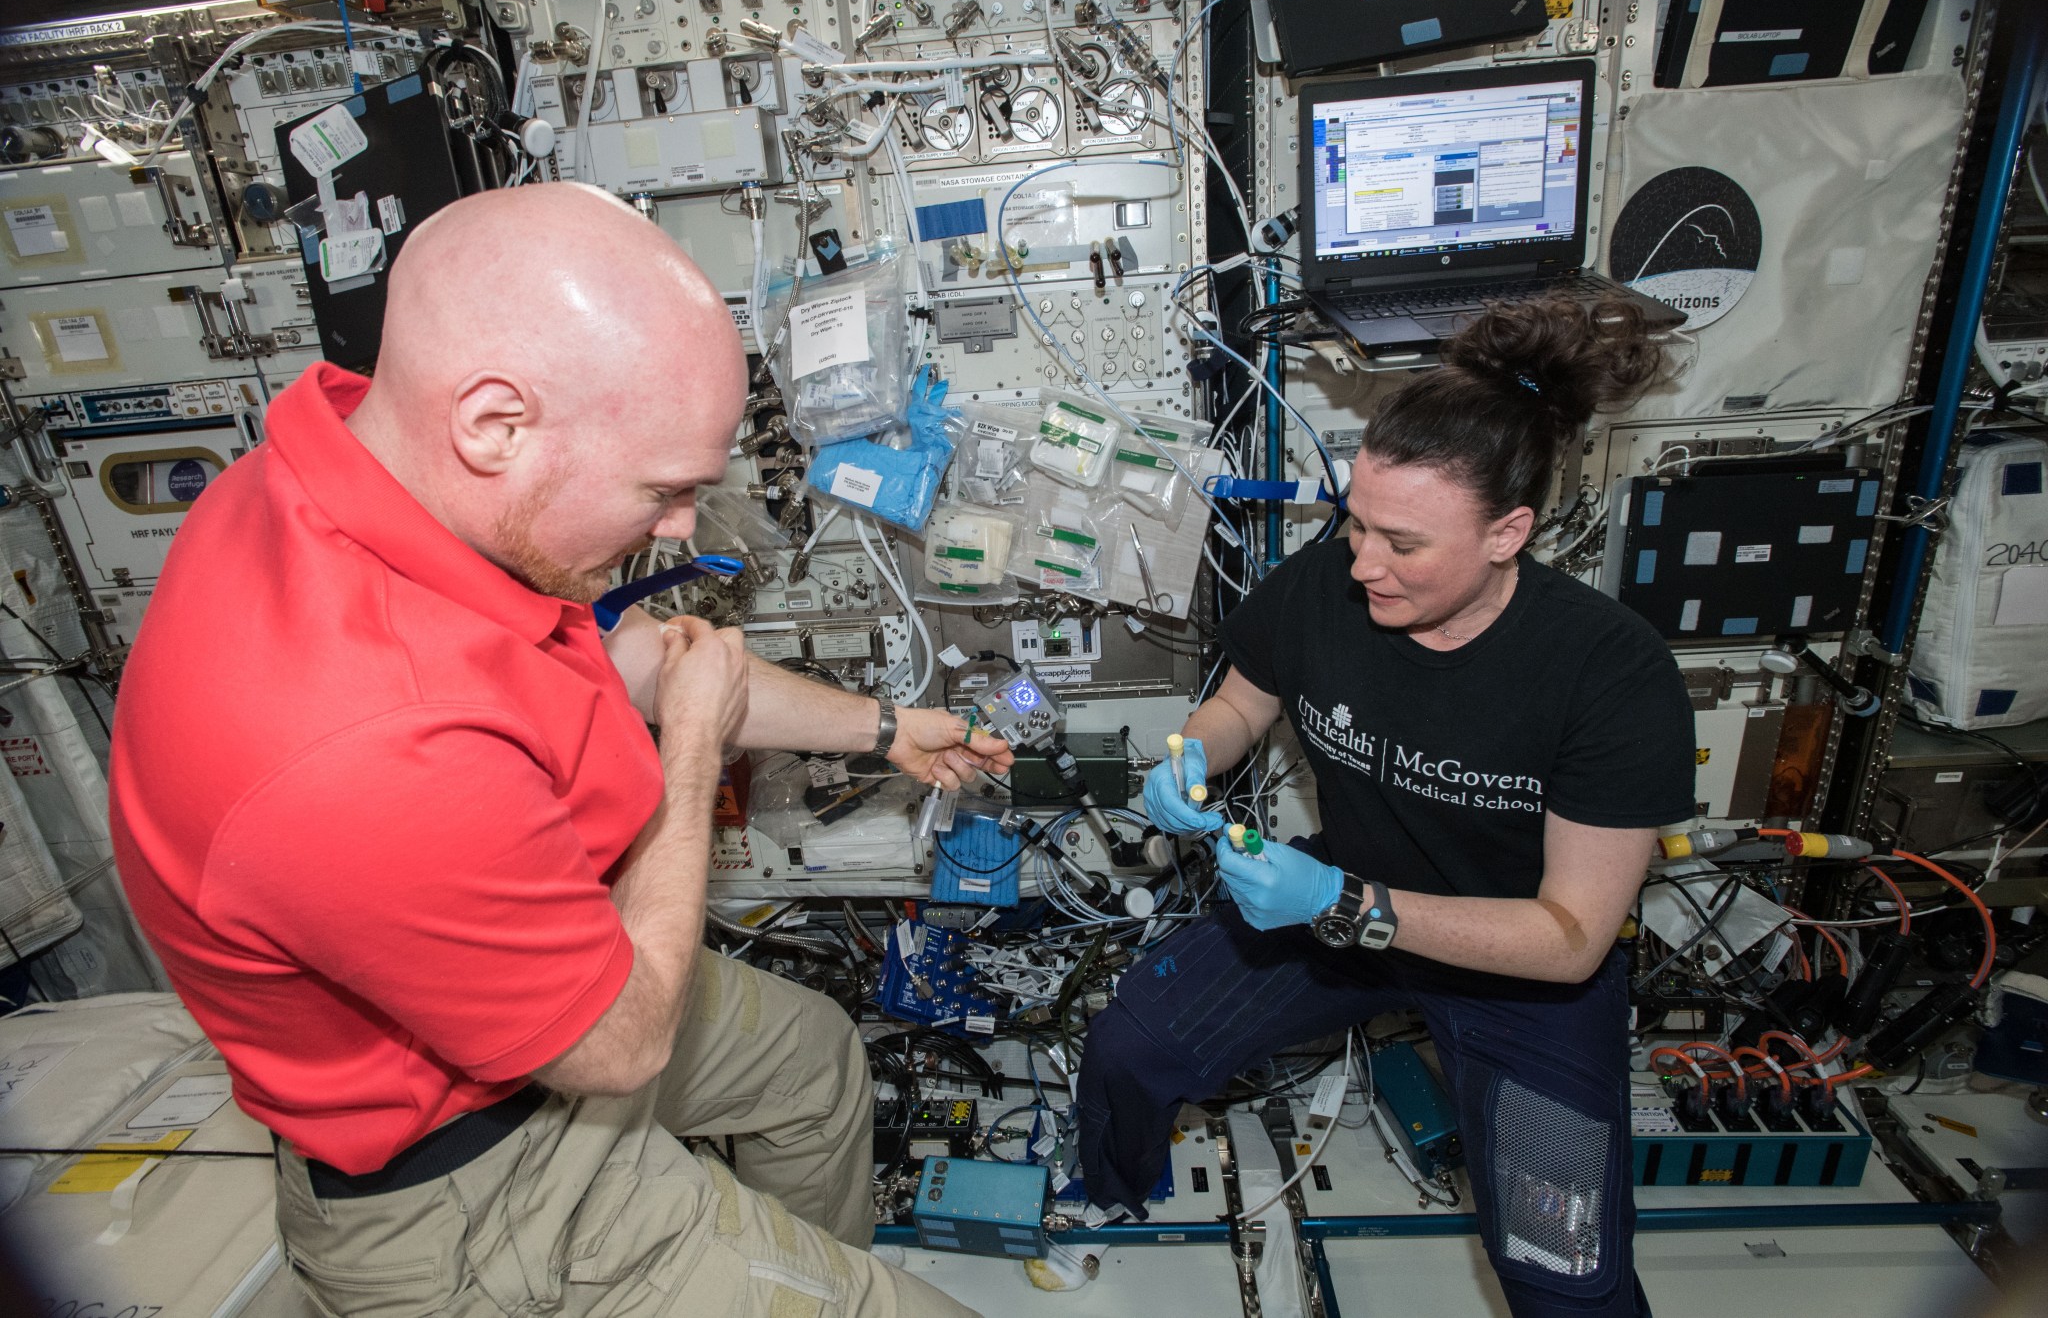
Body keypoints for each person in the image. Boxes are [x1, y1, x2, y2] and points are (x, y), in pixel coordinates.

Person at [109, 185, 1009, 1317]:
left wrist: (885, 730)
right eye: (665, 490)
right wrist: (689, 761)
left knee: (813, 1062)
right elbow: (621, 1043)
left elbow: (643, 656)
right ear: (494, 424)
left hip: (544, 1012)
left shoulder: (372, 468)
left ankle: (788, 1268)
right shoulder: (357, 743)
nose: (682, 526)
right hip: (476, 1188)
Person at [1079, 295, 1695, 1317]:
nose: (1363, 563)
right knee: (1130, 1048)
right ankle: (1109, 1194)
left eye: (1403, 543)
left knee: (1562, 1274)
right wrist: (1190, 754)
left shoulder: (1608, 674)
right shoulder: (1333, 582)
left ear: (1508, 533)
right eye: (1354, 523)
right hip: (1335, 911)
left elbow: (1571, 937)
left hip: (1515, 968)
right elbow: (1244, 696)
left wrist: (1344, 902)